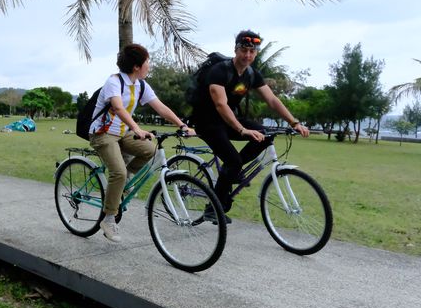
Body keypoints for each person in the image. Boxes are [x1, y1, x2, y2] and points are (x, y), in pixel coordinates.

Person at [192, 30, 310, 224]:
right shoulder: (220, 71)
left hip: (228, 120)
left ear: (256, 54)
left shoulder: (251, 74)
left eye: (252, 52)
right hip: (207, 122)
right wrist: (242, 130)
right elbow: (221, 104)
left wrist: (294, 122)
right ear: (236, 50)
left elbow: (272, 99)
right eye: (244, 50)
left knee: (265, 134)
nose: (248, 55)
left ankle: (231, 173)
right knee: (233, 161)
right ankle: (212, 208)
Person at [89, 43, 193, 243]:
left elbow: (160, 108)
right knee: (117, 172)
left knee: (152, 151)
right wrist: (136, 129)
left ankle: (124, 183)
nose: (149, 66)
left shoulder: (141, 85)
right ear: (137, 66)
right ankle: (109, 218)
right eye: (147, 62)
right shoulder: (114, 81)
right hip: (103, 133)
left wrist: (181, 125)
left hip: (122, 132)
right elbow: (118, 108)